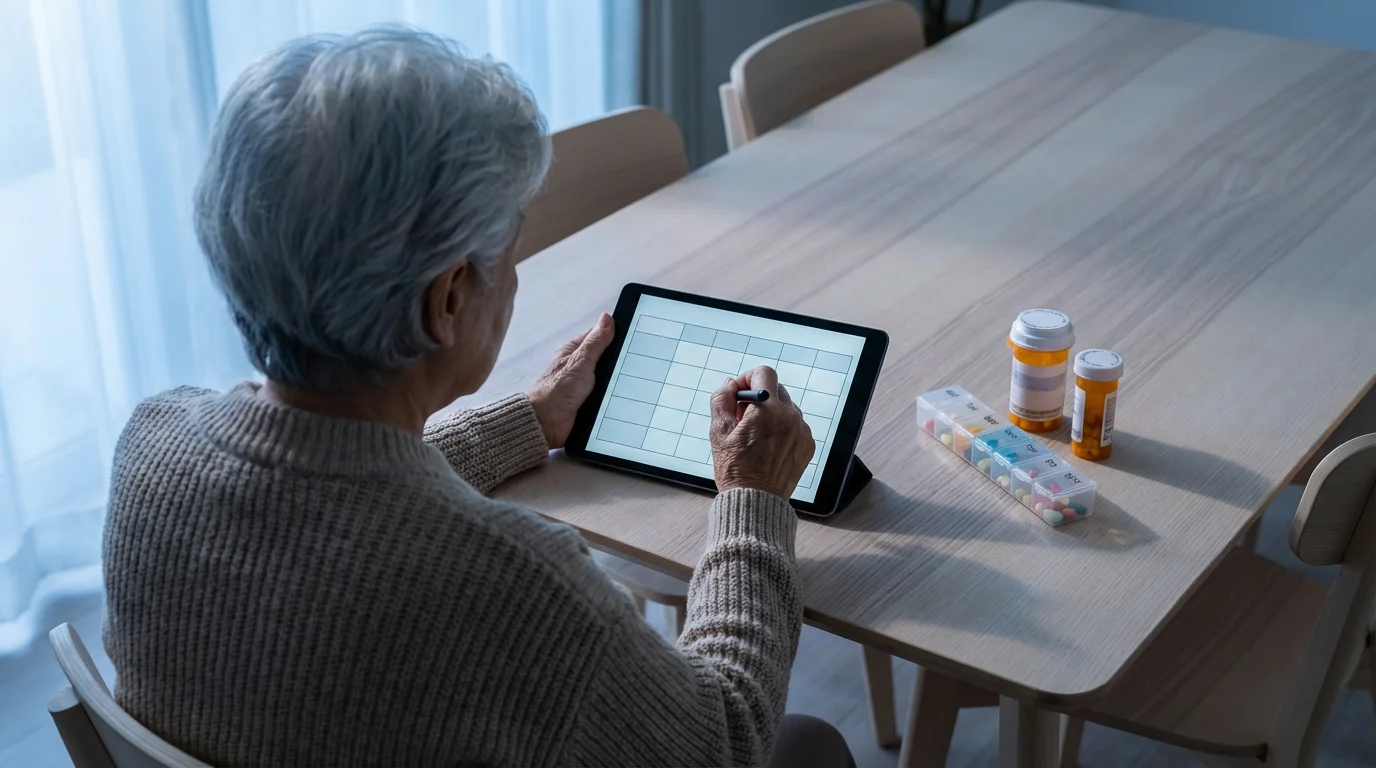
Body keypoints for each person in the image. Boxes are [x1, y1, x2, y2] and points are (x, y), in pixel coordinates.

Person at [102, 25, 856, 768]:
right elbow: (724, 743)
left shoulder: (151, 446)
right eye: (510, 250)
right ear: (450, 299)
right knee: (814, 744)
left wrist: (530, 420)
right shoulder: (513, 585)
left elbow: (329, 497)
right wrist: (753, 497)